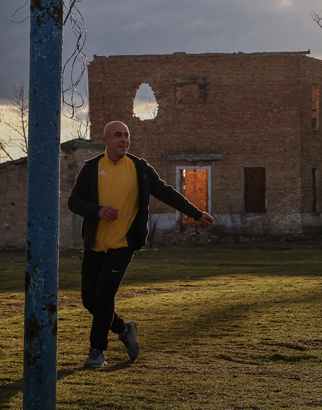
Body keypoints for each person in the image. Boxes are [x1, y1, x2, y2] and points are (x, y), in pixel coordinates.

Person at [67, 121, 214, 369]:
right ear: (106, 141)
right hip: (94, 246)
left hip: (123, 245)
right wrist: (97, 210)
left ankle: (97, 351)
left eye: (126, 135)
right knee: (89, 300)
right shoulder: (91, 169)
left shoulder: (140, 168)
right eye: (118, 135)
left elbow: (166, 192)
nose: (124, 139)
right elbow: (74, 202)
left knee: (104, 295)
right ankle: (124, 329)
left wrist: (196, 213)